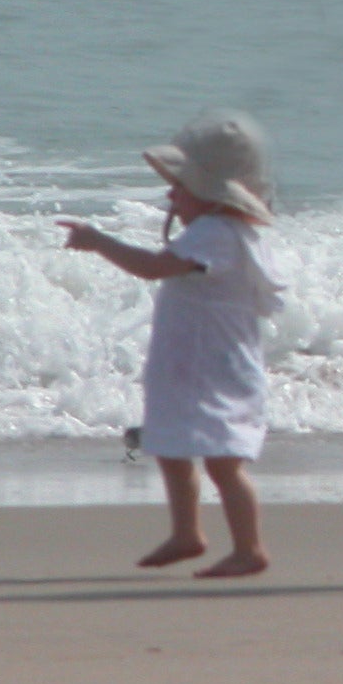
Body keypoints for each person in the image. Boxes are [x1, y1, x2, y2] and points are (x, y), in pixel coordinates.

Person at [60, 111, 288, 578]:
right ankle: (188, 533)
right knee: (172, 445)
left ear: (211, 193)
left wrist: (98, 241)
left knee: (224, 462)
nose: (171, 194)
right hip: (202, 363)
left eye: (180, 186)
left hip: (213, 368)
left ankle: (250, 548)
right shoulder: (232, 233)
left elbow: (153, 267)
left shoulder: (214, 234)